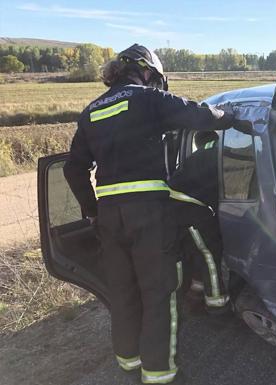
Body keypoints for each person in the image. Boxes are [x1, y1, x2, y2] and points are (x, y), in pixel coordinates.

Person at [63, 43, 240, 385]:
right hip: (148, 213)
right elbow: (200, 115)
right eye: (156, 79)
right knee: (158, 293)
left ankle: (129, 365)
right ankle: (161, 376)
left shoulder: (91, 111)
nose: (156, 84)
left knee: (125, 293)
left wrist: (93, 211)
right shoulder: (147, 98)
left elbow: (73, 170)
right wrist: (230, 117)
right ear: (146, 71)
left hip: (111, 217)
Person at [168, 131, 228, 311]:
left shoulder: (195, 158)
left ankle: (195, 292)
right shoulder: (221, 155)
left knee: (196, 251)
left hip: (174, 209)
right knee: (209, 253)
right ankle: (217, 305)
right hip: (189, 209)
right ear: (217, 139)